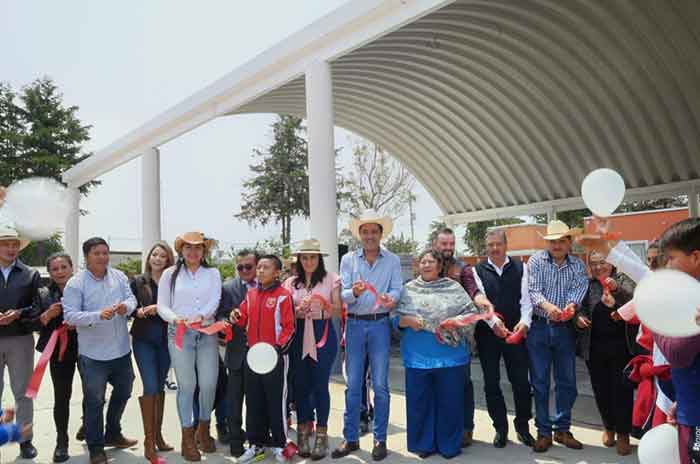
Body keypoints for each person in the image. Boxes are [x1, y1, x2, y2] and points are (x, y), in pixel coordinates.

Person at [395, 249, 481, 459]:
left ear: (440, 265)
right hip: (417, 358)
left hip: (450, 358)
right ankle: (423, 444)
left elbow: (472, 314)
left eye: (430, 261)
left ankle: (449, 445)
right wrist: (405, 321)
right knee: (420, 404)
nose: (426, 265)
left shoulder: (454, 288)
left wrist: (456, 322)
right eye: (422, 261)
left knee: (450, 403)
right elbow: (393, 318)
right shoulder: (407, 290)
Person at [333, 210, 403, 461]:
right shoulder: (349, 260)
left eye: (374, 231)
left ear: (381, 234)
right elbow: (342, 295)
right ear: (360, 235)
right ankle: (350, 437)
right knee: (353, 385)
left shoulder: (392, 260)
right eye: (365, 231)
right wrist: (355, 292)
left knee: (381, 386)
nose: (370, 236)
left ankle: (379, 438)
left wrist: (391, 298)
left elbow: (397, 289)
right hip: (353, 325)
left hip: (380, 325)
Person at [63, 237, 138, 464]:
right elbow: (70, 316)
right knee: (95, 400)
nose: (103, 257)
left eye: (106, 253)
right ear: (87, 256)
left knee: (124, 390)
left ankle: (113, 432)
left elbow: (131, 298)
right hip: (93, 355)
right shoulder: (76, 283)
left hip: (121, 350)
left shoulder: (119, 277)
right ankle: (96, 448)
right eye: (97, 253)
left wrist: (127, 306)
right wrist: (97, 315)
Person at [156, 231, 222, 462]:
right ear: (181, 251)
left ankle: (203, 429)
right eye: (188, 248)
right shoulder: (169, 274)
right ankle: (187, 438)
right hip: (180, 333)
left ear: (204, 251)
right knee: (187, 385)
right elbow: (162, 305)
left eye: (198, 248)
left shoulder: (212, 273)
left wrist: (202, 315)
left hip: (206, 332)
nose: (193, 252)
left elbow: (215, 299)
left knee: (209, 384)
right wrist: (175, 319)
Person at [469, 229, 535, 448]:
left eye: (498, 244)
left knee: (521, 383)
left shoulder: (521, 267)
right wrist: (493, 323)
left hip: (516, 334)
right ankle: (500, 428)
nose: (494, 248)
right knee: (491, 383)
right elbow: (481, 301)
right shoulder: (476, 271)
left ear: (506, 245)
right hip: (488, 336)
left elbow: (526, 301)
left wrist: (525, 322)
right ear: (485, 247)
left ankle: (523, 427)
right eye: (490, 245)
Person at [527, 220, 589, 452]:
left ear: (569, 242)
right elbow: (533, 290)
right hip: (540, 327)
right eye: (553, 241)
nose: (557, 245)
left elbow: (579, 289)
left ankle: (562, 429)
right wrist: (549, 306)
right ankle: (543, 432)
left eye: (561, 240)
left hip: (564, 329)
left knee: (567, 382)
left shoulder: (577, 265)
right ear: (548, 243)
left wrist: (571, 306)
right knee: (540, 382)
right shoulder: (535, 261)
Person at [229, 255, 295, 464]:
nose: (259, 271)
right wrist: (236, 316)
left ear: (276, 273)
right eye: (258, 267)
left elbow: (290, 328)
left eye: (265, 267)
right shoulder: (250, 295)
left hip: (275, 358)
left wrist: (277, 349)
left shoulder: (284, 296)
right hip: (253, 357)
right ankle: (256, 445)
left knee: (276, 402)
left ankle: (280, 445)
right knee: (254, 402)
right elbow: (242, 319)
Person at [282, 239, 341, 460]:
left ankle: (322, 434)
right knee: (300, 386)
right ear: (299, 259)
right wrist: (297, 310)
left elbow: (338, 309)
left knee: (320, 385)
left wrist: (324, 307)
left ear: (319, 259)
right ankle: (303, 432)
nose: (308, 261)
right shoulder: (290, 283)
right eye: (304, 257)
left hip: (322, 334)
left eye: (313, 257)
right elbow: (285, 312)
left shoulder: (331, 279)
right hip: (297, 335)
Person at [575, 251, 636, 455]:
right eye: (593, 264)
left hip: (621, 347)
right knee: (601, 391)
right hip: (595, 347)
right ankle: (609, 427)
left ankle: (623, 434)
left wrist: (616, 291)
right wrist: (579, 317)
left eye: (602, 262)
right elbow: (580, 307)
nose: (598, 267)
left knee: (622, 392)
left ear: (611, 263)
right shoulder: (588, 284)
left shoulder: (623, 279)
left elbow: (635, 300)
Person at [130, 241, 175, 461]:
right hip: (143, 340)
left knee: (159, 386)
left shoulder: (173, 282)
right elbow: (129, 306)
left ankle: (158, 436)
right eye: (154, 255)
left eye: (163, 256)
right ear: (149, 258)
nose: (157, 259)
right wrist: (136, 311)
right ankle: (149, 442)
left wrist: (158, 308)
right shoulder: (138, 281)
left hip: (167, 341)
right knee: (149, 385)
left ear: (169, 260)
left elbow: (179, 307)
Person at [34, 253, 81, 462]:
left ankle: (88, 424)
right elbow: (33, 322)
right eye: (55, 269)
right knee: (62, 396)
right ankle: (62, 442)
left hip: (86, 347)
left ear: (72, 268)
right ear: (50, 273)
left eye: (64, 267)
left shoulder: (84, 289)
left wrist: (78, 322)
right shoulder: (43, 294)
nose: (60, 272)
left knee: (95, 391)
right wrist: (47, 316)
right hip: (58, 351)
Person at [433, 228, 476, 447]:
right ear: (435, 244)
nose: (448, 248)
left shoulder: (463, 269)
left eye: (451, 244)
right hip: (432, 339)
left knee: (463, 384)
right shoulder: (426, 265)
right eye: (444, 244)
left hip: (459, 339)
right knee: (438, 386)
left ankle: (466, 428)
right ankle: (442, 428)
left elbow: (474, 293)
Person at [0, 223, 40, 459]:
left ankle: (25, 439)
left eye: (15, 244)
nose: (11, 248)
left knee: (23, 392)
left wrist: (19, 313)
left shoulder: (30, 274)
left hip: (21, 340)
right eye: (6, 244)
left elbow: (36, 306)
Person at [216, 249, 258, 457]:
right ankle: (235, 441)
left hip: (262, 355)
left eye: (248, 267)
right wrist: (228, 318)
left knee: (256, 400)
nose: (243, 271)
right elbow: (220, 314)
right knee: (234, 400)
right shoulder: (228, 288)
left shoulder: (268, 286)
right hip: (236, 353)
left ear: (257, 266)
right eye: (240, 267)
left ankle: (255, 438)